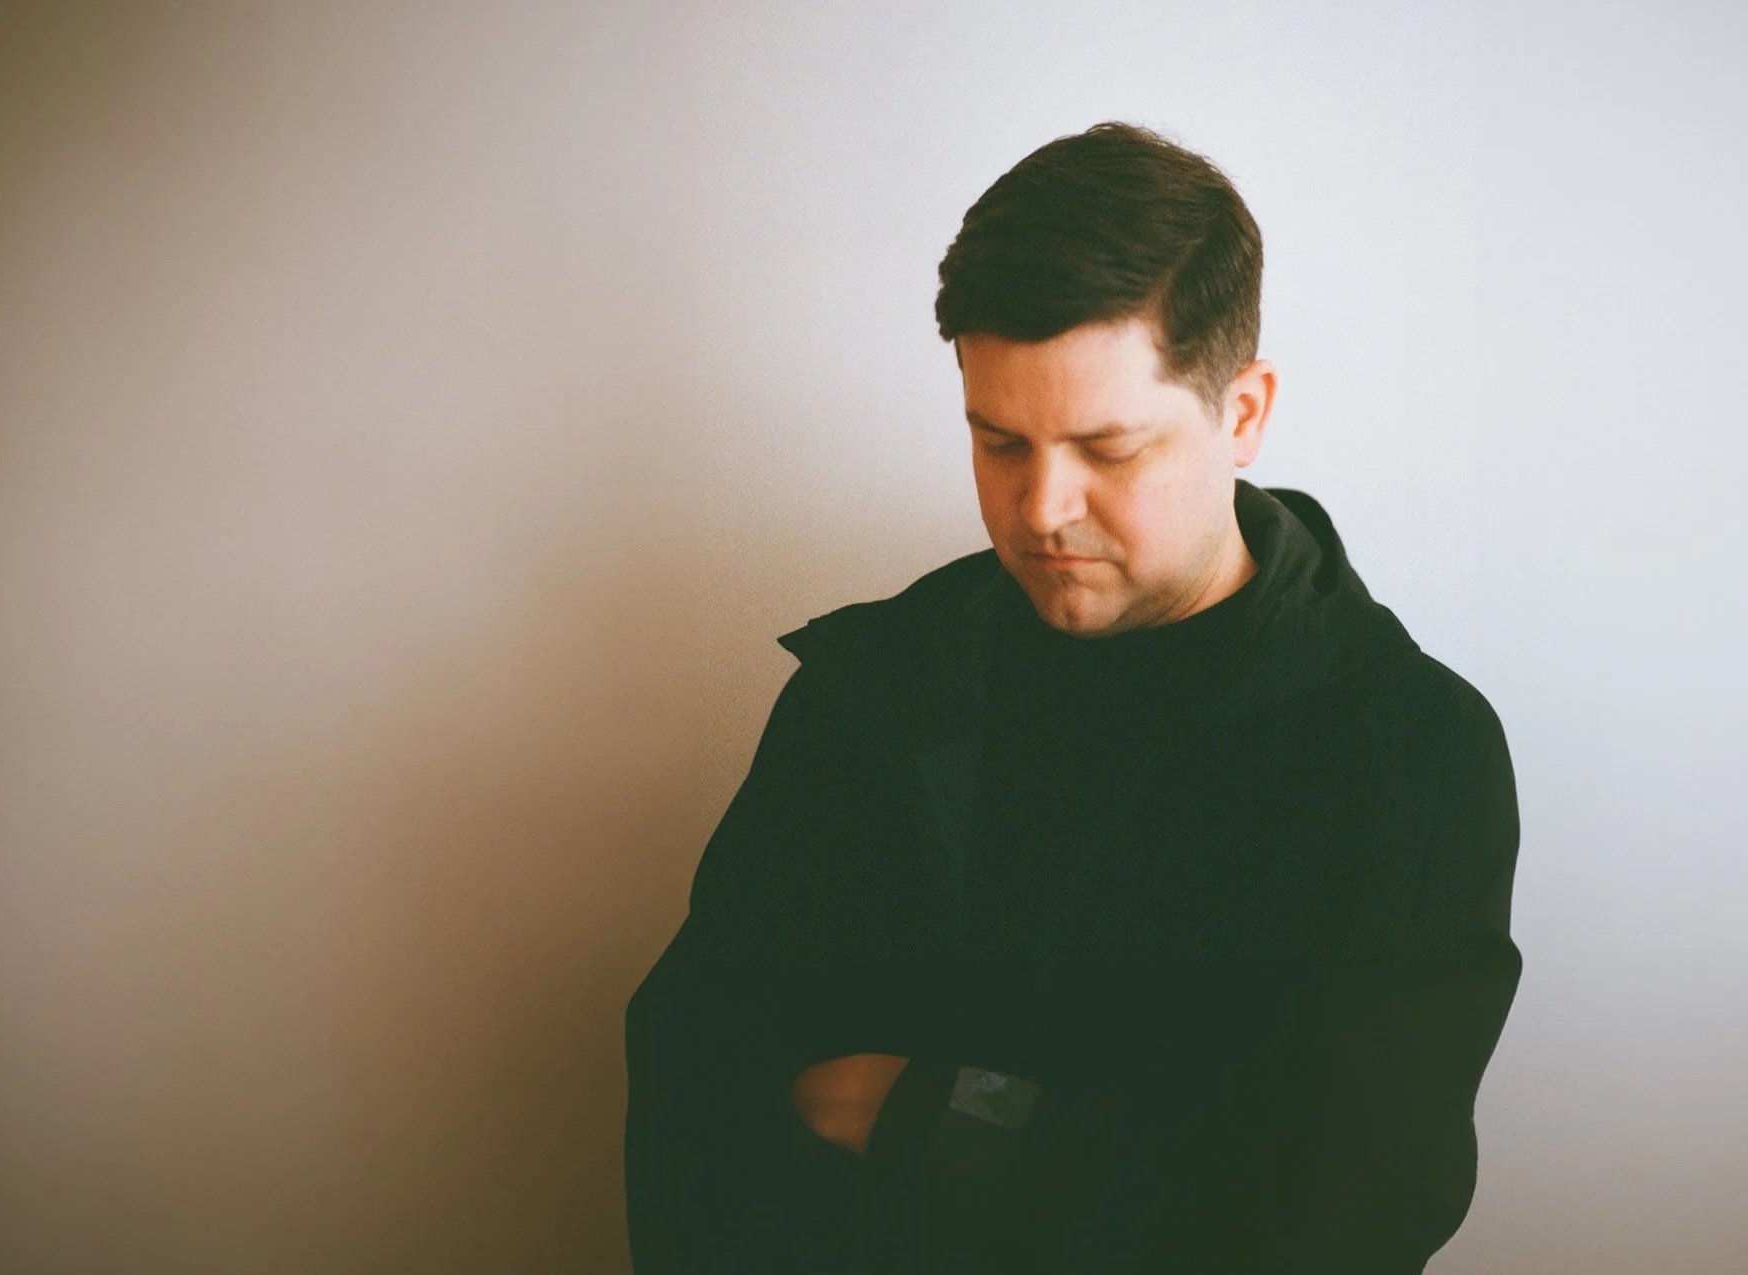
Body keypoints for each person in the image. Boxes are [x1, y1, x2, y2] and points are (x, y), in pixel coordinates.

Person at [623, 120, 1522, 1273]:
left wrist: (930, 1111)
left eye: (1107, 449)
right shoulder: (873, 689)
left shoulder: (1406, 754)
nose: (1041, 509)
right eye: (999, 442)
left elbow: (1330, 1216)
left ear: (1242, 414)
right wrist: (1112, 1153)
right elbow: (703, 1101)